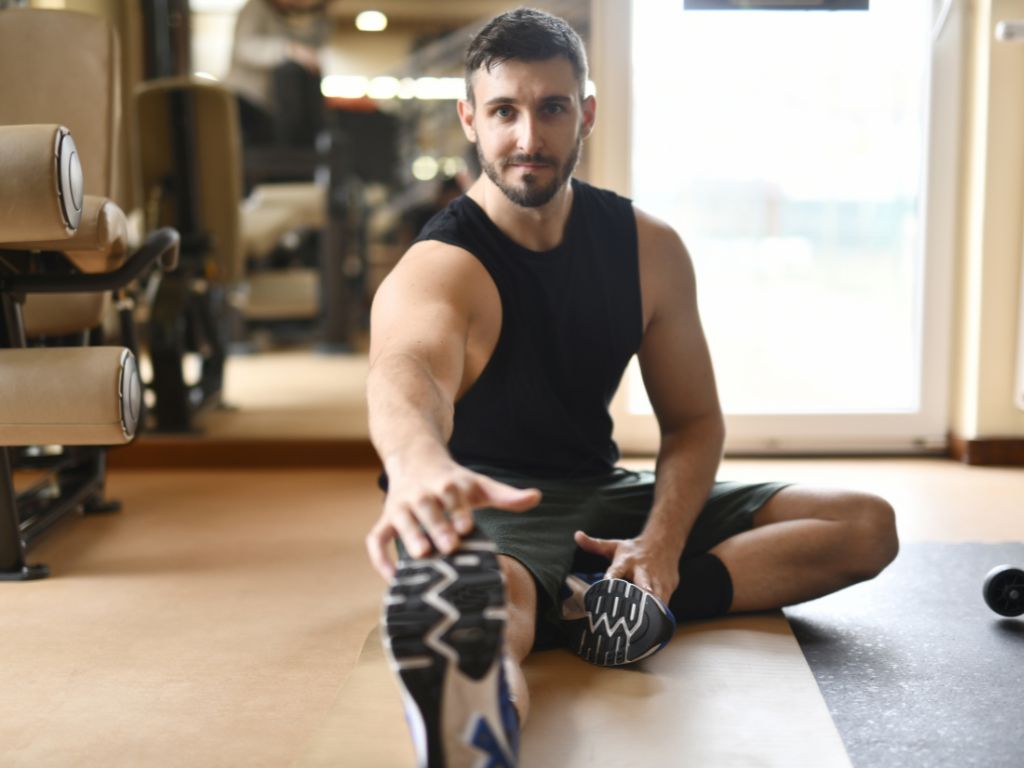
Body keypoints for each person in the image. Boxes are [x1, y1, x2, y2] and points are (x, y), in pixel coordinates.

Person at [364, 8, 899, 767]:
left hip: (603, 493)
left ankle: (602, 599)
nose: (528, 137)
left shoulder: (648, 249)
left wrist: (662, 545)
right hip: (493, 505)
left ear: (584, 112)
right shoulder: (440, 266)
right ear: (469, 120)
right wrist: (417, 463)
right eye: (504, 112)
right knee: (490, 619)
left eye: (551, 108)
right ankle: (476, 724)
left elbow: (694, 423)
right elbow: (404, 373)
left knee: (865, 526)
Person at [223, 0, 328, 148]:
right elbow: (244, 48)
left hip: (270, 107)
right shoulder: (256, 6)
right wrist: (290, 50)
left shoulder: (286, 14)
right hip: (244, 98)